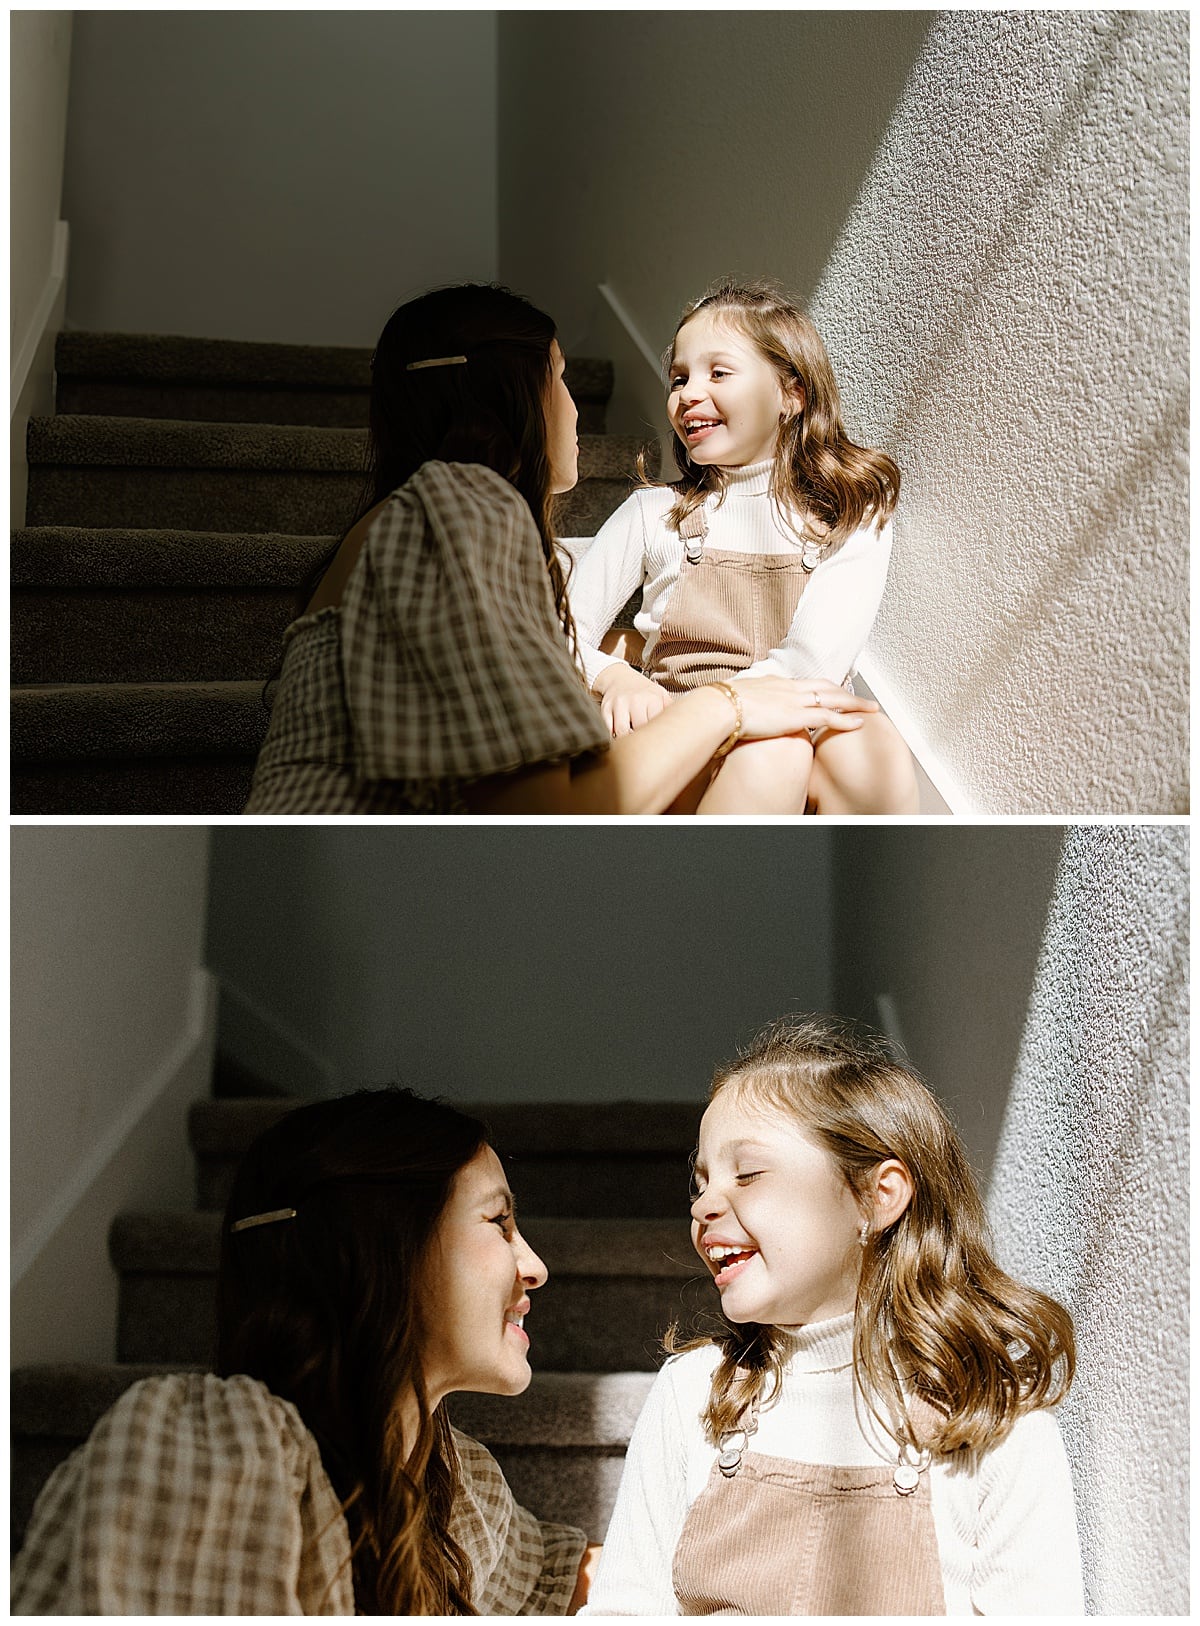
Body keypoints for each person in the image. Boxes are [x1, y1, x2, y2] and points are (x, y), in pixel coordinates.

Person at [242, 284, 876, 815]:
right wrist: (725, 702)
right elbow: (547, 815)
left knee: (853, 749)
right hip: (354, 903)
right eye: (562, 379)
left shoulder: (438, 517)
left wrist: (628, 653)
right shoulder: (456, 510)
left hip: (357, 891)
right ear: (516, 395)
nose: (575, 408)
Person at [12, 1089, 600, 1615]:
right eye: (499, 1222)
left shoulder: (451, 1484)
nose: (536, 1267)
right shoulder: (217, 1452)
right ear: (384, 1243)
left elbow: (550, 1577)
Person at [583, 1017, 1084, 1615]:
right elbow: (624, 1608)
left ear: (877, 1197)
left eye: (747, 1174)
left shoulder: (988, 1421)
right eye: (701, 1183)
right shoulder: (693, 1392)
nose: (705, 1204)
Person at [565, 281, 920, 814]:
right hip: (681, 721)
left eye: (719, 372)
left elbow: (812, 665)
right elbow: (555, 633)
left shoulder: (850, 509)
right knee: (774, 751)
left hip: (796, 709)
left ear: (791, 394)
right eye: (679, 377)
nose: (687, 393)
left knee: (872, 743)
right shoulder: (653, 513)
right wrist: (615, 676)